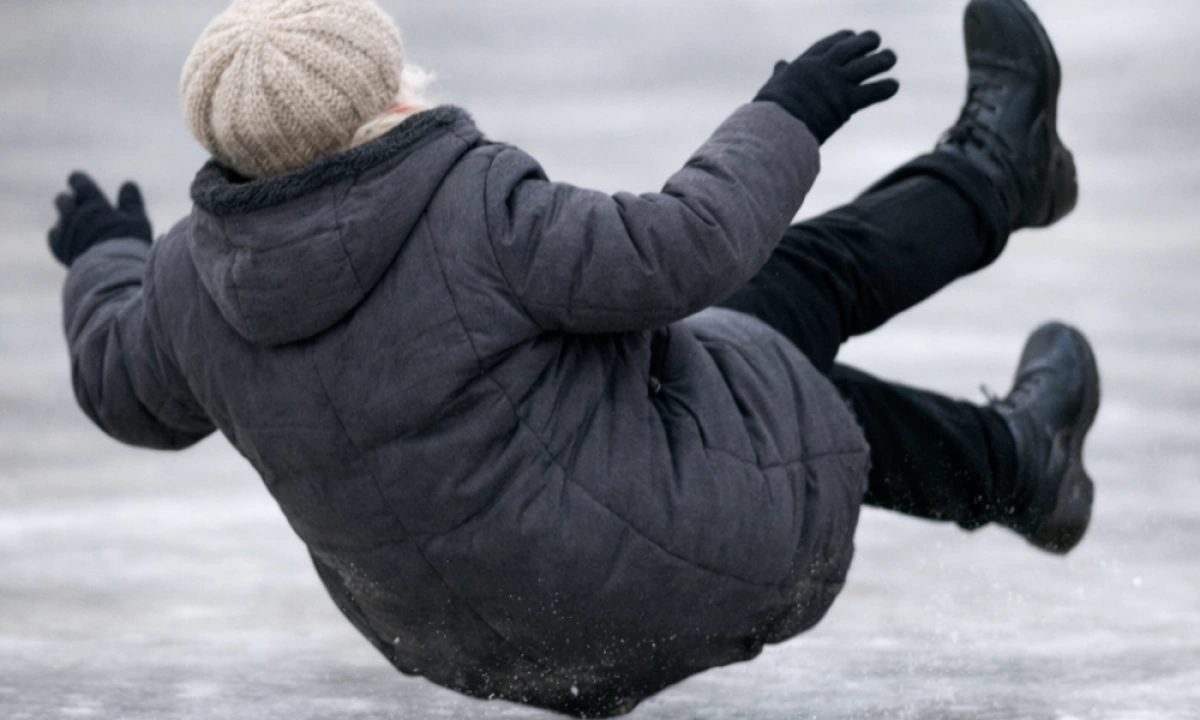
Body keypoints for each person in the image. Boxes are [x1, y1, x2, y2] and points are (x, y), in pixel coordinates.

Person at [46, 0, 1100, 716]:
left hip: (465, 644)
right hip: (669, 570)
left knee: (746, 378)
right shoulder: (470, 205)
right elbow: (682, 248)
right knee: (785, 293)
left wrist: (106, 257)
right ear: (385, 89)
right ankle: (1000, 177)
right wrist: (790, 112)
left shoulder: (187, 285)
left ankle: (1020, 459)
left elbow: (117, 382)